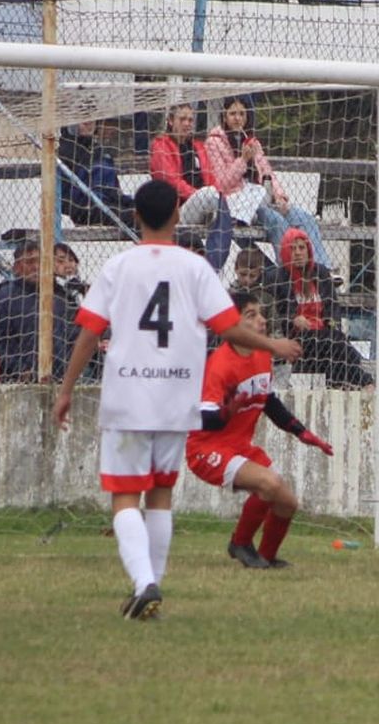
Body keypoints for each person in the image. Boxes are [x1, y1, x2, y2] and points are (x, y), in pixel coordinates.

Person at [52, 179, 302, 621]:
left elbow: (90, 332)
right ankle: (155, 586)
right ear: (177, 215)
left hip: (128, 396)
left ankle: (144, 582)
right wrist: (275, 344)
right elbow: (227, 328)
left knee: (126, 497)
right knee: (162, 494)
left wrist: (67, 389)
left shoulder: (118, 266)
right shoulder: (195, 268)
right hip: (174, 397)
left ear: (135, 217)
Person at [186, 291, 335, 569]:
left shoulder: (260, 355)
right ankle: (240, 543)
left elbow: (267, 400)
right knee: (270, 484)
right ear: (230, 324)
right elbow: (202, 418)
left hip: (240, 447)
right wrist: (225, 413)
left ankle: (266, 557)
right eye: (251, 315)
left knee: (287, 502)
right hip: (207, 449)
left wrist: (302, 432)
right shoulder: (220, 365)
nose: (262, 321)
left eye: (261, 313)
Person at [206, 96, 331, 268]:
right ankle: (289, 271)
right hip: (237, 203)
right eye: (233, 113)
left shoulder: (252, 141)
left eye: (242, 114)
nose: (238, 118)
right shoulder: (214, 142)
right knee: (276, 221)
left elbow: (267, 171)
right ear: (224, 116)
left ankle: (322, 269)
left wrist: (279, 195)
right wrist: (243, 160)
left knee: (304, 217)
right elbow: (222, 183)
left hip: (260, 197)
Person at [264, 228, 373, 390]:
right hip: (296, 336)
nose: (298, 253)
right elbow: (273, 315)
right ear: (286, 251)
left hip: (323, 332)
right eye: (292, 249)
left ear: (308, 250)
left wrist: (331, 322)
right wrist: (293, 319)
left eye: (302, 248)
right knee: (336, 343)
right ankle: (366, 381)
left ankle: (340, 385)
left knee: (333, 345)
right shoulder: (277, 278)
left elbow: (332, 306)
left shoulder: (320, 273)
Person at [0, 239, 71, 382]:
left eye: (40, 261)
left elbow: (75, 335)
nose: (35, 267)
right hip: (18, 381)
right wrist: (19, 369)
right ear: (17, 267)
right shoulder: (3, 298)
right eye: (29, 262)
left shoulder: (63, 297)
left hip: (61, 378)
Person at [151, 103, 221, 223]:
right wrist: (198, 195)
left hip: (205, 200)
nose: (187, 124)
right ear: (171, 121)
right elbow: (171, 182)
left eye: (190, 120)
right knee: (210, 195)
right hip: (178, 210)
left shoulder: (198, 147)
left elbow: (210, 177)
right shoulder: (161, 146)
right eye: (182, 119)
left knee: (253, 193)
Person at [59, 120, 134, 227]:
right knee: (133, 218)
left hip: (105, 205)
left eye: (91, 118)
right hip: (84, 209)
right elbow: (71, 199)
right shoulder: (65, 151)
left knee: (143, 211)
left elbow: (114, 192)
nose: (88, 123)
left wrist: (129, 203)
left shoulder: (99, 151)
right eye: (82, 119)